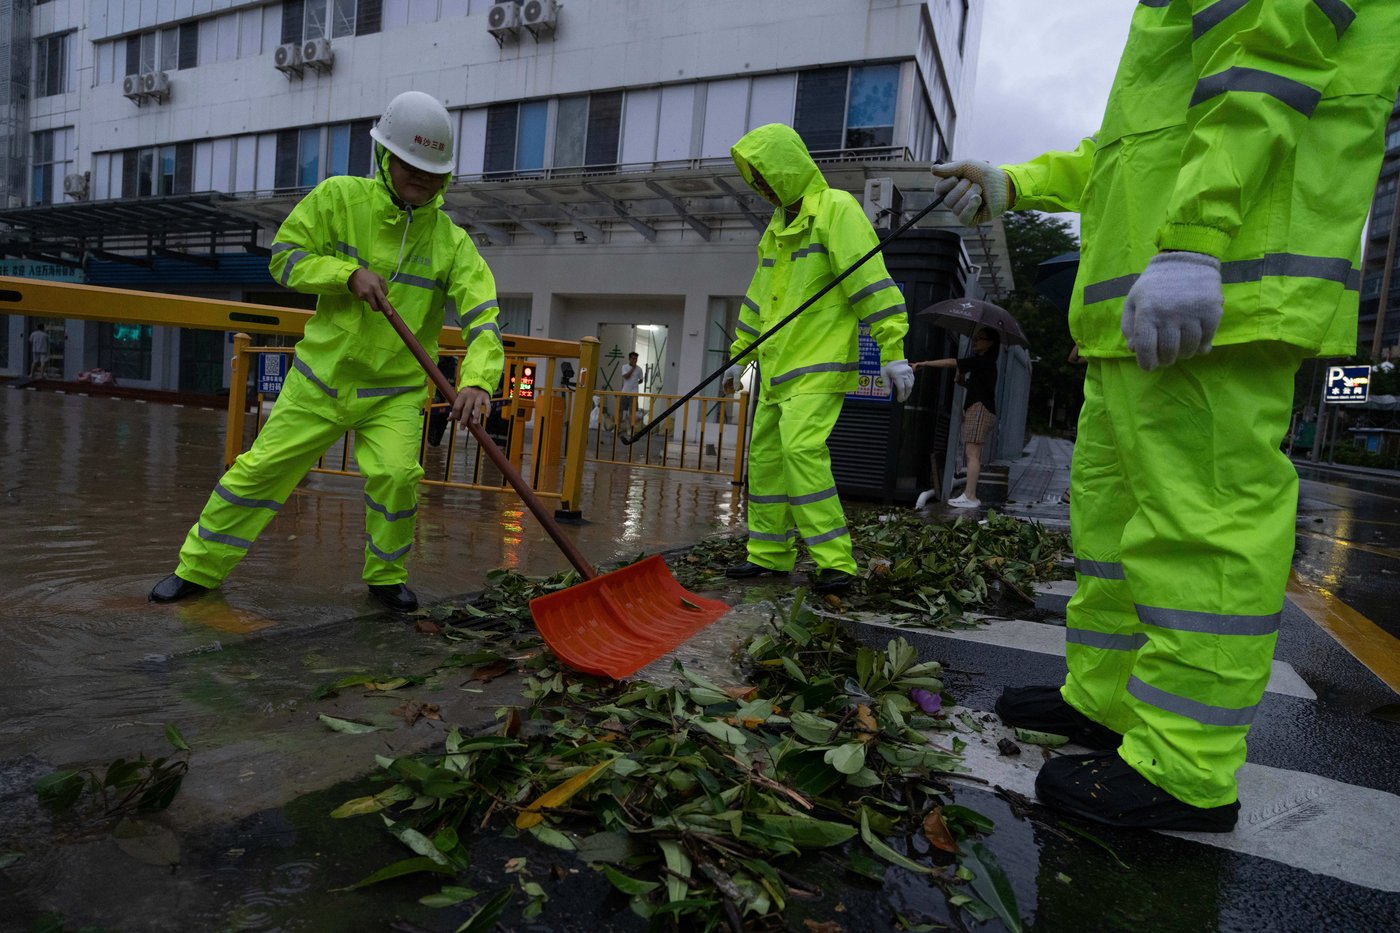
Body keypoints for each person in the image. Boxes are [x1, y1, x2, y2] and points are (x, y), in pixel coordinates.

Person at [930, 1, 1400, 832]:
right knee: (1112, 533)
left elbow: (1268, 69)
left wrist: (1196, 238)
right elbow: (1124, 154)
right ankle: (1107, 702)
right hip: (1142, 313)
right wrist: (1017, 184)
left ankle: (1186, 763)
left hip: (1221, 291)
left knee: (1200, 530)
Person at [150, 91, 504, 613]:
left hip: (395, 392)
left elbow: (483, 319)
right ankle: (198, 570)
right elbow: (285, 260)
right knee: (259, 471)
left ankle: (385, 578)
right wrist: (345, 276)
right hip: (321, 378)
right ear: (387, 156)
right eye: (411, 163)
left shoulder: (452, 243)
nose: (421, 177)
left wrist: (477, 381)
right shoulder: (339, 199)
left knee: (397, 476)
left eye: (433, 169)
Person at [720, 123, 913, 594]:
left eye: (765, 175)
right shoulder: (777, 228)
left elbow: (870, 281)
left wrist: (892, 349)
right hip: (774, 367)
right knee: (765, 462)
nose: (762, 186)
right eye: (756, 179)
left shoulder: (837, 211)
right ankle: (768, 553)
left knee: (801, 453)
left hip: (819, 364)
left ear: (786, 168)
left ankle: (835, 562)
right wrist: (738, 356)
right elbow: (759, 299)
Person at [913, 326, 1001, 508]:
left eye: (980, 338)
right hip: (979, 410)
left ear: (990, 343)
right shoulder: (983, 364)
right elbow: (969, 384)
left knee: (972, 454)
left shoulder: (984, 362)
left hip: (979, 410)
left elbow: (952, 362)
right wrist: (961, 377)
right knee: (972, 453)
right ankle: (969, 495)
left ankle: (970, 496)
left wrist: (926, 363)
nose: (976, 341)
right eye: (975, 338)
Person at [618, 351, 643, 432]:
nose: (634, 360)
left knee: (632, 412)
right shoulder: (624, 367)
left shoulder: (639, 369)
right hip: (625, 392)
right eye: (633, 358)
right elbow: (626, 377)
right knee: (620, 411)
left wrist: (635, 384)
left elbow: (641, 380)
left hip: (634, 393)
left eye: (636, 359)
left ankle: (630, 430)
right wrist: (633, 368)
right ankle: (618, 428)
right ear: (629, 359)